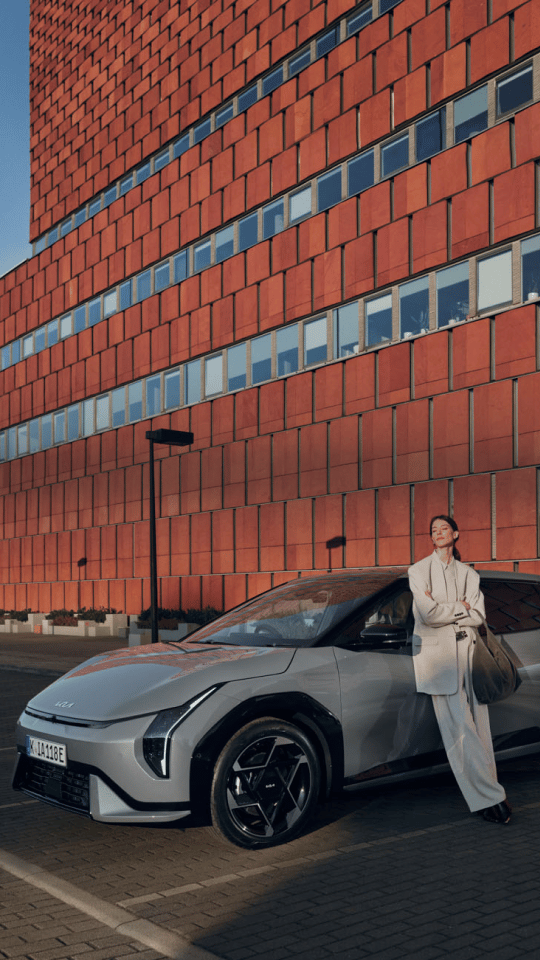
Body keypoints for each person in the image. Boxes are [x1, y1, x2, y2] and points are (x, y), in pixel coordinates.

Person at [408, 515, 511, 824]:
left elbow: (478, 616)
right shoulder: (418, 571)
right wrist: (461, 607)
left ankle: (488, 791)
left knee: (481, 731)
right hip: (438, 660)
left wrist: (452, 611)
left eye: (444, 528)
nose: (438, 533)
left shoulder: (469, 573)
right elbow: (427, 616)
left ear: (456, 533)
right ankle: (492, 798)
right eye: (433, 530)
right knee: (460, 731)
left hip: (469, 656)